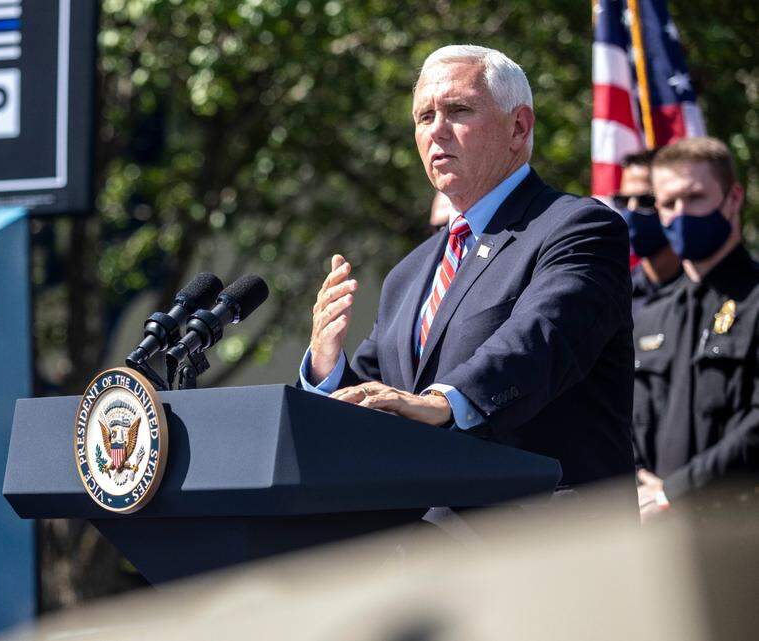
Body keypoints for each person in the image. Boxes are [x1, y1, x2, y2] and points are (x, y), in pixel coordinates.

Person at [299, 45, 635, 495]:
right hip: (424, 545)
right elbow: (378, 395)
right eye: (423, 117)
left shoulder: (578, 228)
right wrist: (325, 369)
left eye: (458, 110)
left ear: (518, 127)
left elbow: (540, 342)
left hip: (547, 539)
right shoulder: (410, 272)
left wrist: (443, 402)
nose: (436, 131)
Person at [632, 136, 758, 520]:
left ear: (733, 199)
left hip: (737, 528)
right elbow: (624, 421)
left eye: (696, 197)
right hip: (656, 529)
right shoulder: (651, 315)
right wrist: (638, 482)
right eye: (668, 204)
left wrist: (676, 492)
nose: (681, 213)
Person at [615, 150, 682, 313]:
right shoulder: (617, 295)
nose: (631, 210)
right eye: (623, 201)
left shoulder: (705, 289)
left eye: (645, 201)